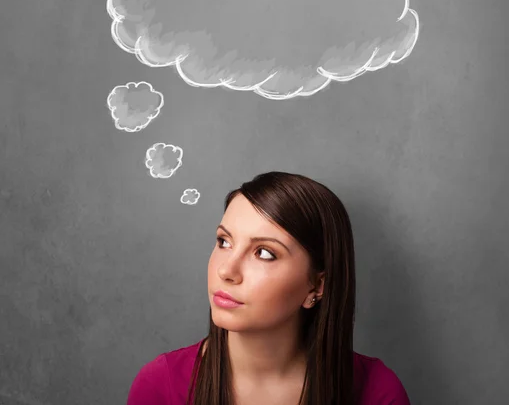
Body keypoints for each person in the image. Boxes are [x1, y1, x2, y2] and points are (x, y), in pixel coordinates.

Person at [127, 171, 411, 404]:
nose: (226, 271)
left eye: (264, 253)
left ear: (317, 285)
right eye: (224, 242)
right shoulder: (160, 387)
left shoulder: (376, 392)